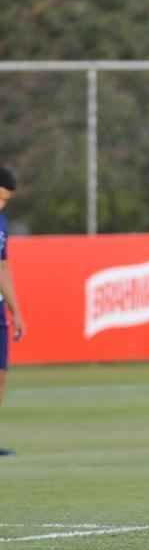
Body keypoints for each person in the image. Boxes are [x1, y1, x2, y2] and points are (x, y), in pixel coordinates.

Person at [0, 166, 26, 425]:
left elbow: (2, 267)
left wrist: (15, 310)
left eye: (5, 201)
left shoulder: (2, 223)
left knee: (1, 375)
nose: (0, 205)